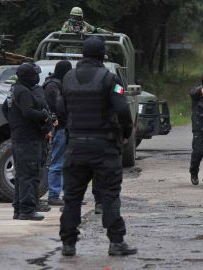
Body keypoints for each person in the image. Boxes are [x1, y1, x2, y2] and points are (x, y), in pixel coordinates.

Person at [57, 36, 136, 256]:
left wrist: (71, 128)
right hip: (104, 147)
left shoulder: (68, 79)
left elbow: (60, 108)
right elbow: (122, 110)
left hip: (75, 147)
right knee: (109, 194)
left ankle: (68, 244)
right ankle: (116, 242)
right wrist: (126, 132)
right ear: (103, 55)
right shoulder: (110, 80)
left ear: (83, 55)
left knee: (72, 197)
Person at [2, 63, 52, 221]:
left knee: (21, 175)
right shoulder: (23, 91)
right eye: (35, 75)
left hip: (20, 136)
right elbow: (29, 112)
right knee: (29, 174)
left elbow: (5, 108)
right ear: (29, 76)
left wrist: (15, 124)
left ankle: (19, 209)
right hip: (28, 138)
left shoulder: (14, 89)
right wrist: (44, 116)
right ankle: (27, 210)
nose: (37, 78)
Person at [43, 60, 72, 206]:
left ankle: (68, 195)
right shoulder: (52, 86)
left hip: (65, 127)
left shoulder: (58, 84)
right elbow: (57, 107)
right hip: (59, 128)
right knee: (57, 162)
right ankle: (53, 195)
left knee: (67, 163)